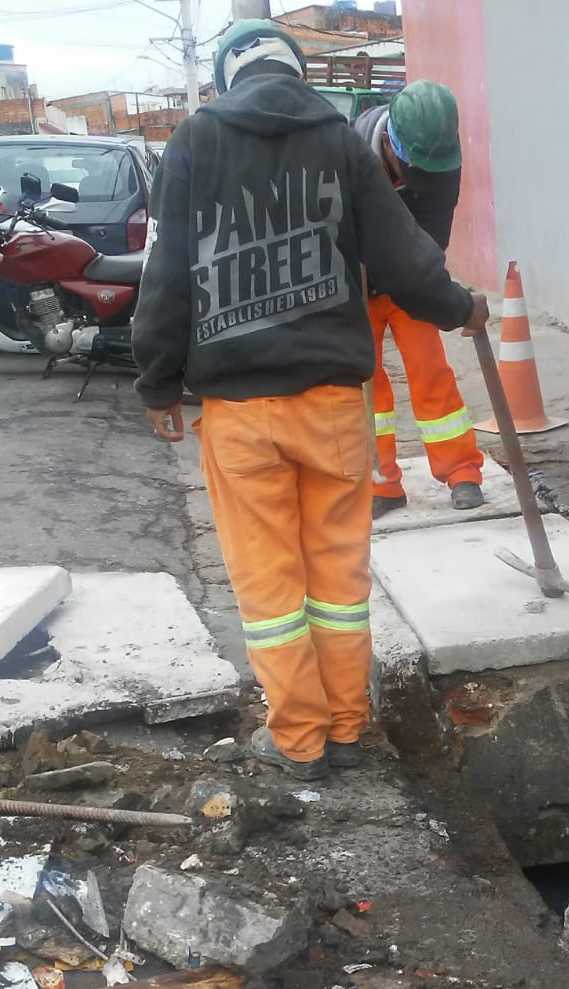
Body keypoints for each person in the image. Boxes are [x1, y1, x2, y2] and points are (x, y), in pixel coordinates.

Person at [132, 20, 488, 781]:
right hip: (332, 402)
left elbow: (165, 274)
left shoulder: (195, 141)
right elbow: (404, 257)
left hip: (240, 412)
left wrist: (158, 380)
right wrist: (461, 308)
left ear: (231, 74)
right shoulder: (340, 138)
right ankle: (348, 725)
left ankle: (298, 740)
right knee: (337, 578)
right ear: (297, 70)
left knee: (270, 586)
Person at [355, 81, 486, 518]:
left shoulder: (442, 162)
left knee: (430, 369)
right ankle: (381, 483)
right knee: (364, 383)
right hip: (358, 282)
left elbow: (431, 241)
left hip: (411, 279)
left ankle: (461, 469)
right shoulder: (350, 151)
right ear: (391, 141)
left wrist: (434, 295)